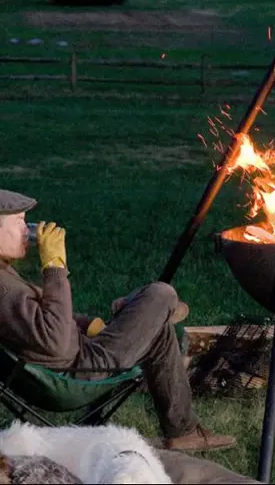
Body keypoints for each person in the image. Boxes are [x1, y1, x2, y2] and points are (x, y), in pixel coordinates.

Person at [0, 189, 236, 453]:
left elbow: (43, 319)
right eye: (19, 220)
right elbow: (53, 340)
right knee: (162, 293)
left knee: (159, 329)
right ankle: (149, 306)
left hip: (73, 358)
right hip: (77, 374)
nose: (27, 229)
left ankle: (184, 432)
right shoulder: (4, 291)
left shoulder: (4, 274)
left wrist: (88, 323)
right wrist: (54, 267)